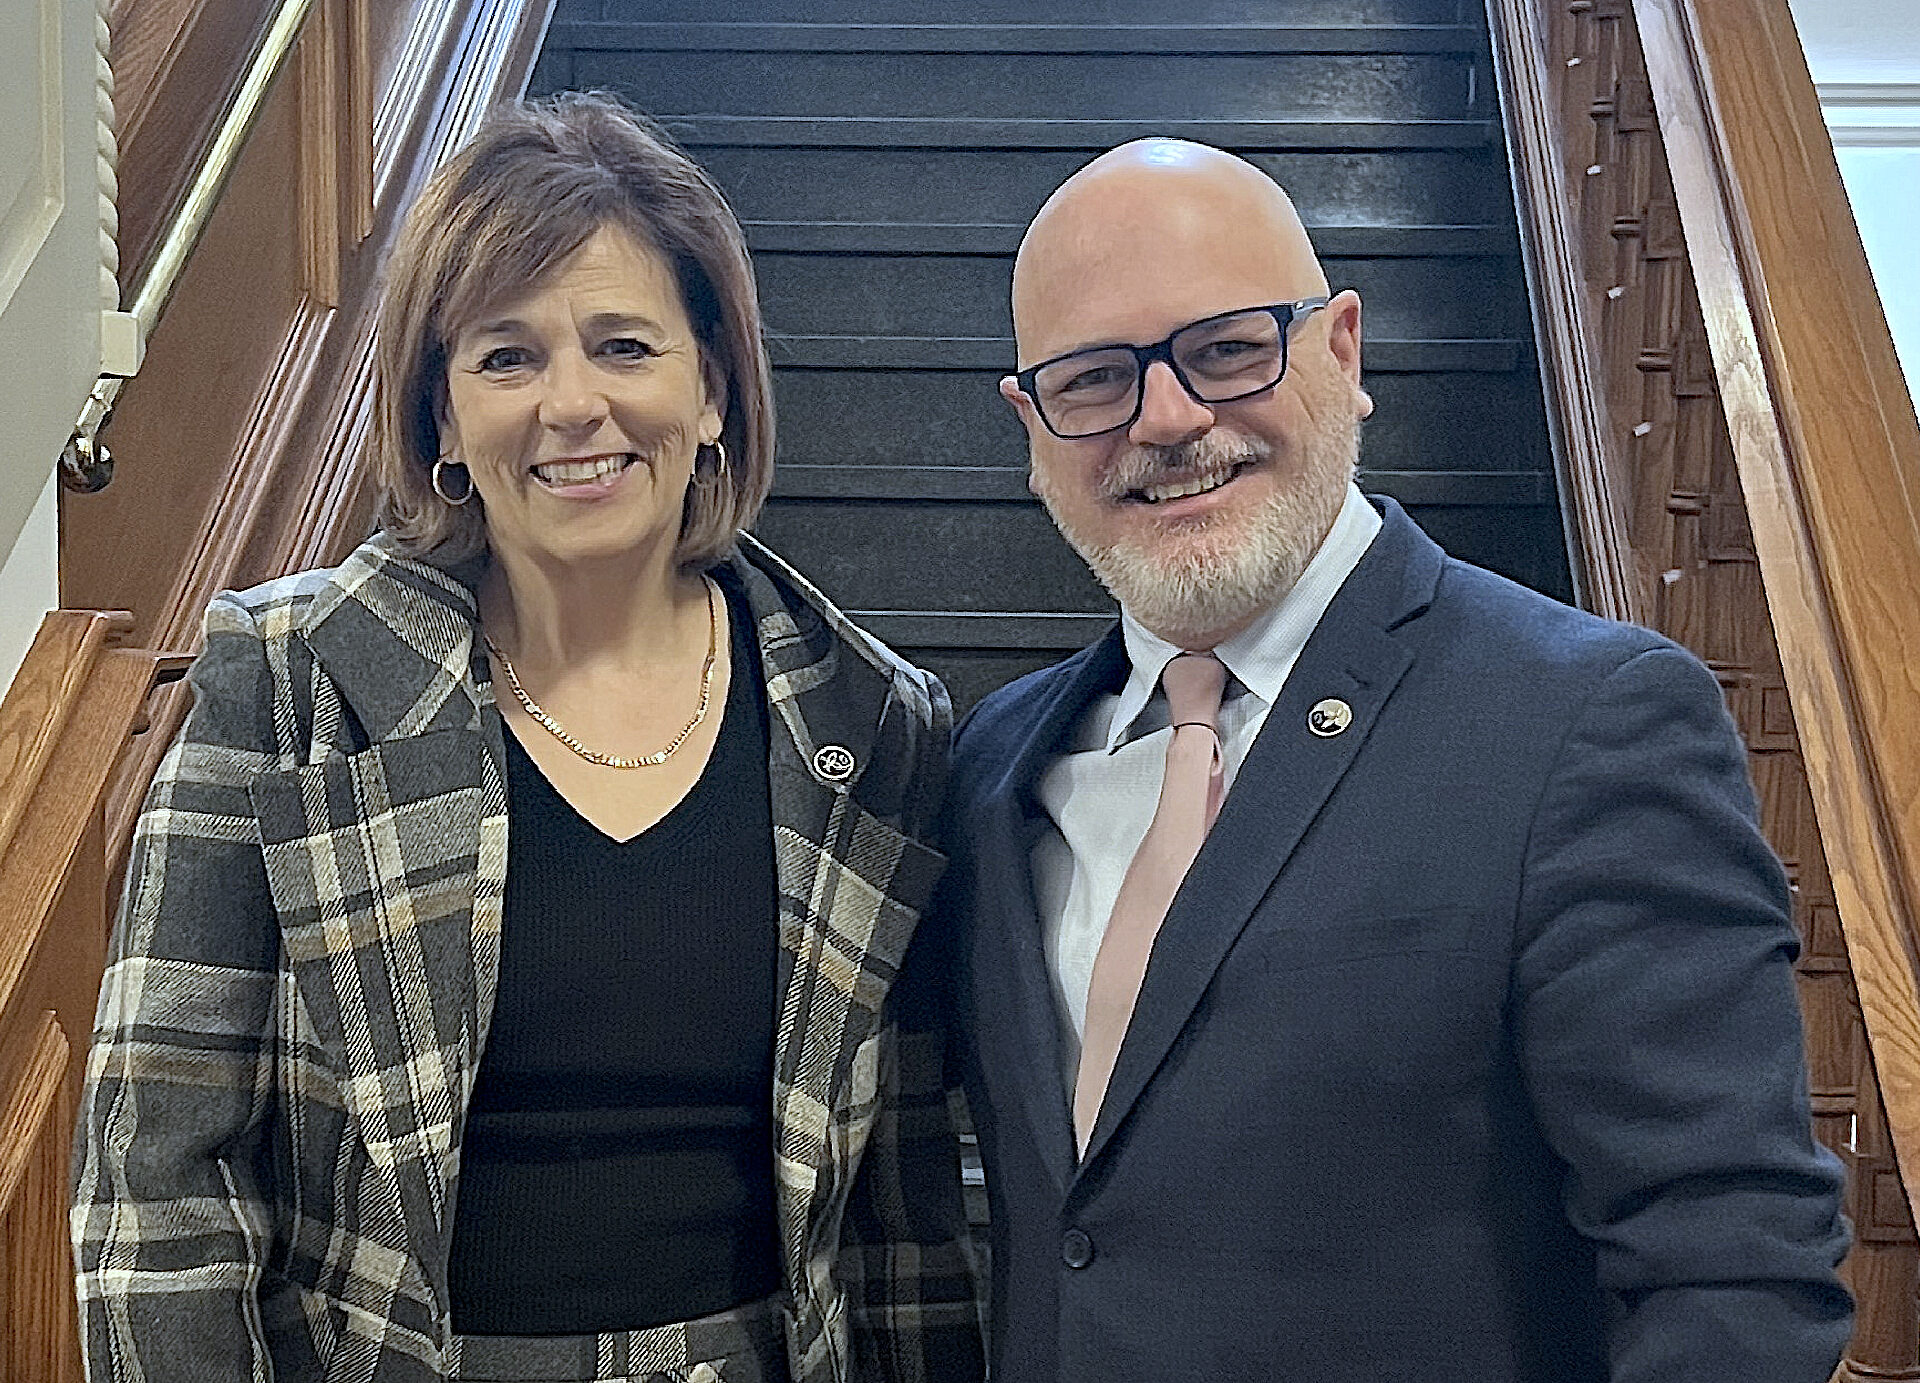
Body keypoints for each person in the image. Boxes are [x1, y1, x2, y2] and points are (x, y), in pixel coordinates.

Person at [71, 93, 982, 1383]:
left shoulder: (871, 722)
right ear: (442, 419)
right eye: (506, 358)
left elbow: (904, 1219)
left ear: (711, 389)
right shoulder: (284, 686)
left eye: (624, 346)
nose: (573, 405)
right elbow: (153, 1172)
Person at [940, 138, 1852, 1382]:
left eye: (1226, 348)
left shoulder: (1587, 724)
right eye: (1096, 378)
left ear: (1343, 350)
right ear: (1032, 425)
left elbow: (1731, 1269)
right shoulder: (994, 765)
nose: (1169, 418)